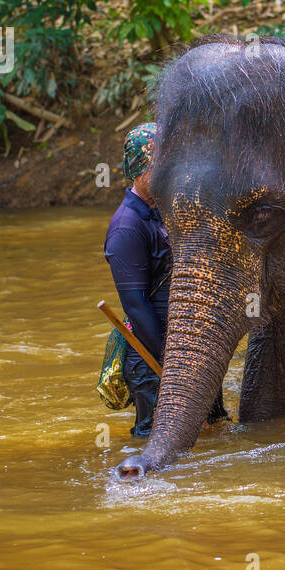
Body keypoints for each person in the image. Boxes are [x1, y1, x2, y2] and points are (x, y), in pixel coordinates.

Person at [104, 123, 225, 437]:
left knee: (216, 434)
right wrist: (172, 365)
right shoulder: (126, 228)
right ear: (142, 171)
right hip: (154, 358)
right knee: (160, 445)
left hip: (190, 350)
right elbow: (135, 304)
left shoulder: (162, 210)